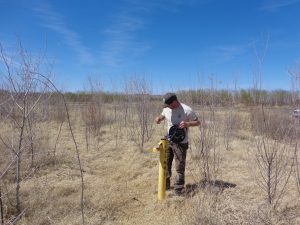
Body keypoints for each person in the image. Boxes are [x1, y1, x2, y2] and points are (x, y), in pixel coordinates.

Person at [155, 92, 200, 195]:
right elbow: (162, 115)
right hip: (168, 140)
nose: (167, 107)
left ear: (174, 102)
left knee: (179, 167)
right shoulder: (167, 109)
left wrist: (187, 124)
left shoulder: (186, 110)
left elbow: (198, 122)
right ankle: (165, 186)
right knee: (165, 164)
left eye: (169, 105)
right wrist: (159, 118)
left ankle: (178, 191)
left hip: (181, 143)